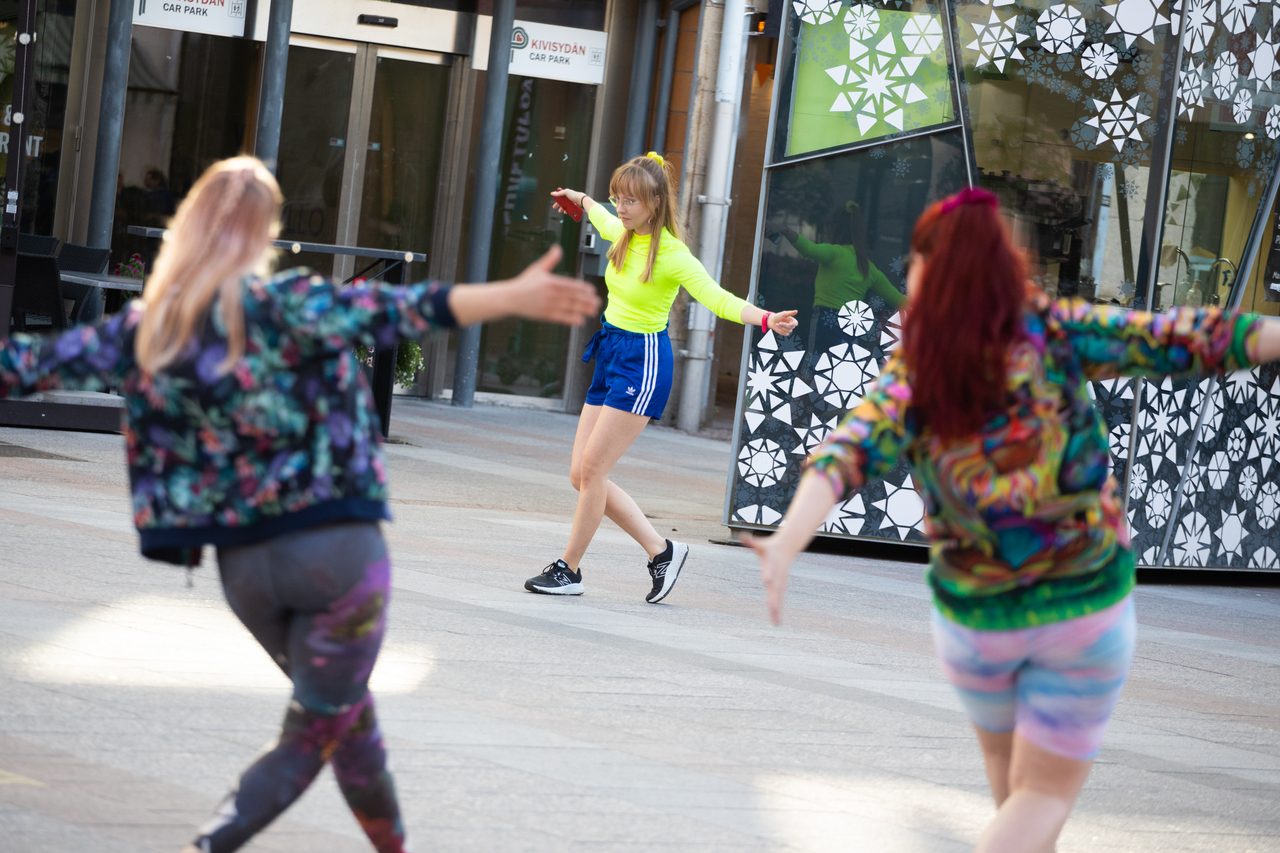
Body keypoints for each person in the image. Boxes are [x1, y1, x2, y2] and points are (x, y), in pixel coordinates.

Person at [0, 156, 601, 853]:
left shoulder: (155, 325)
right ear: (265, 233)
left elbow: (29, 363)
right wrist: (508, 295)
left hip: (247, 570)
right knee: (316, 723)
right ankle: (213, 840)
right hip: (338, 556)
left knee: (343, 711)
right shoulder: (295, 303)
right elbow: (401, 309)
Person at [745, 187, 1280, 853]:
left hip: (977, 621)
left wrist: (787, 540)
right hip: (1078, 604)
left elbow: (847, 452)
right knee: (1041, 801)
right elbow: (1182, 339)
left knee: (1017, 801)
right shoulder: (1051, 330)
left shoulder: (918, 369)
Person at [530, 152, 799, 602]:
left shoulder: (673, 254)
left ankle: (568, 569)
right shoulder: (621, 232)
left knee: (594, 470)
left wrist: (767, 319)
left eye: (630, 200)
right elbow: (594, 209)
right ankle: (661, 550)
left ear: (655, 202)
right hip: (611, 350)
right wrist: (575, 198)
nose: (621, 206)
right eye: (619, 197)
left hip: (644, 361)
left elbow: (717, 298)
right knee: (580, 474)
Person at [766, 200, 905, 359]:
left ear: (833, 229)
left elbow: (809, 249)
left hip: (825, 320)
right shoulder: (868, 268)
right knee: (840, 376)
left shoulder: (835, 253)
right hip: (851, 326)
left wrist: (784, 230)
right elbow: (899, 300)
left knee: (810, 371)